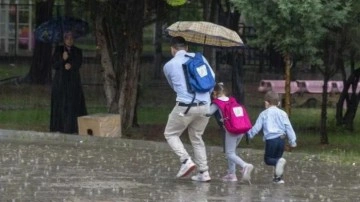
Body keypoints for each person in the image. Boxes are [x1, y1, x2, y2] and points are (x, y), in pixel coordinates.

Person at [163, 36, 215, 182]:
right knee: (197, 137)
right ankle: (204, 172)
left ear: (172, 49)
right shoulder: (200, 58)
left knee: (171, 134)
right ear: (186, 48)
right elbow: (212, 79)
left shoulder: (169, 65)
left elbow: (174, 86)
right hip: (205, 106)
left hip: (185, 106)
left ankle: (186, 161)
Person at [207, 82, 254, 183]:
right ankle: (231, 174)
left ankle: (245, 166)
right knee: (232, 152)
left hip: (231, 130)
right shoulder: (232, 100)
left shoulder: (217, 103)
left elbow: (207, 113)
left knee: (229, 153)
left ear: (215, 92)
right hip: (241, 129)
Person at [246, 91, 297, 184]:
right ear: (278, 103)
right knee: (278, 158)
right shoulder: (283, 113)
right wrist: (292, 141)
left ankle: (278, 167)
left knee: (269, 159)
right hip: (281, 139)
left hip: (271, 140)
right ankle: (278, 178)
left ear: (266, 102)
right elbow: (289, 127)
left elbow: (257, 127)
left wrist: (249, 134)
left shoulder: (264, 114)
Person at [50, 31, 87, 134]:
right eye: (67, 38)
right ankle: (60, 126)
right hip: (60, 81)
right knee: (61, 104)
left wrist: (71, 65)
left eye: (71, 38)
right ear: (64, 39)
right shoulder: (59, 50)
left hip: (73, 81)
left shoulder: (77, 51)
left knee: (72, 104)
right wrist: (63, 59)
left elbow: (78, 63)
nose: (69, 41)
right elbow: (54, 65)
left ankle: (73, 127)